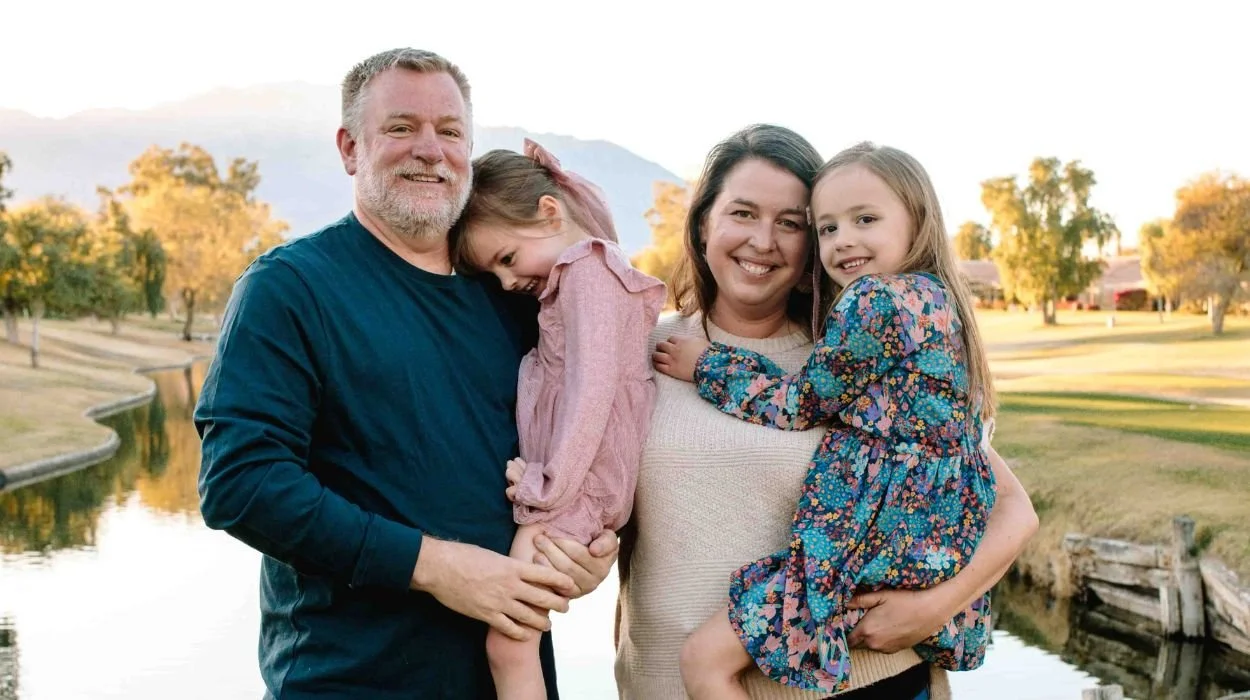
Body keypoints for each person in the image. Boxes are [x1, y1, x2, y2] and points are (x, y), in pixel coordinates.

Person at [193, 48, 618, 700]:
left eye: (450, 132)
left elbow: (583, 433)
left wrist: (583, 554)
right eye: (401, 128)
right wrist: (436, 567)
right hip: (349, 682)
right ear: (349, 147)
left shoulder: (514, 293)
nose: (430, 149)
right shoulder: (291, 289)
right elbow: (241, 485)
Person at [613, 124, 1039, 700]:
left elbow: (1013, 511)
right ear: (702, 222)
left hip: (874, 683)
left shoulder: (866, 357)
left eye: (790, 223)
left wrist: (929, 610)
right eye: (742, 213)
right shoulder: (637, 353)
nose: (764, 240)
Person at [450, 139, 665, 699]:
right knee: (515, 639)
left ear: (549, 213)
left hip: (574, 487)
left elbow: (592, 392)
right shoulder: (578, 275)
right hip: (575, 486)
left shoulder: (588, 274)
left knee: (509, 643)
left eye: (506, 259)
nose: (505, 282)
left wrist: (550, 484)